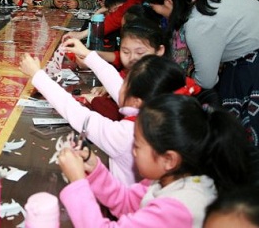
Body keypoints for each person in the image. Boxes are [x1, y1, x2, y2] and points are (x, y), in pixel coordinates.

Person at [58, 94, 251, 228]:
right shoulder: (170, 176)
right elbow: (126, 202)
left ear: (169, 159)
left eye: (138, 146)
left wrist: (78, 182)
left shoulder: (179, 207)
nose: (132, 151)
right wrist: (93, 167)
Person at [21, 52, 196, 186]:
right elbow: (115, 83)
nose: (118, 85)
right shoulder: (171, 114)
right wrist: (88, 55)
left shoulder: (128, 133)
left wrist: (38, 76)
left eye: (125, 83)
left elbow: (77, 113)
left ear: (136, 101)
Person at [140, 0, 259, 146]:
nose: (156, 12)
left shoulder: (198, 24)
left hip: (251, 67)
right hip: (248, 53)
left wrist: (187, 74)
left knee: (244, 137)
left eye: (153, 6)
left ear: (168, 2)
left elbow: (206, 81)